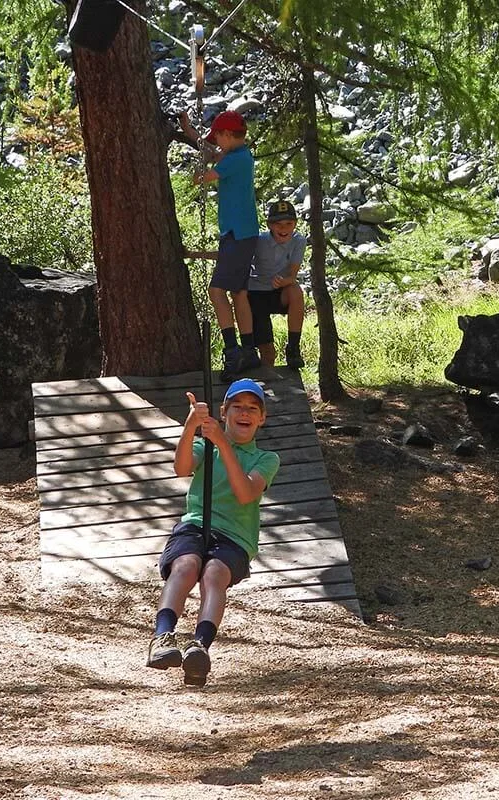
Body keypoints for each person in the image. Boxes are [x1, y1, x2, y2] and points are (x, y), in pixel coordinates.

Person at [146, 378, 280, 686]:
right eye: (237, 407)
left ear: (262, 419)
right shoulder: (204, 445)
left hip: (235, 536)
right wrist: (191, 426)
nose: (244, 413)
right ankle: (162, 637)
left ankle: (200, 647)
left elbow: (246, 493)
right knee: (185, 565)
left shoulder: (266, 459)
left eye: (252, 409)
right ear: (223, 412)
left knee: (214, 574)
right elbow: (181, 468)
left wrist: (222, 444)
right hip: (195, 523)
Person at [192, 109, 262, 376]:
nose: (216, 142)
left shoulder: (235, 160)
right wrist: (189, 131)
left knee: (216, 291)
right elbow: (211, 151)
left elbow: (204, 176)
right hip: (242, 233)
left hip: (237, 234)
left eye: (218, 137)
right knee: (239, 293)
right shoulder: (238, 155)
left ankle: (232, 352)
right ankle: (248, 350)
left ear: (227, 135)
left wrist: (197, 170)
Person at [248, 200, 308, 368]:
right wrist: (196, 254)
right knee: (268, 352)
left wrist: (284, 281)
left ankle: (293, 348)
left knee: (296, 292)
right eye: (278, 224)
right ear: (269, 225)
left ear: (295, 224)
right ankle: (263, 385)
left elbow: (293, 276)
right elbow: (232, 256)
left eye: (289, 224)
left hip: (278, 291)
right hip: (256, 294)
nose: (284, 229)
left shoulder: (299, 241)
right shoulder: (258, 240)